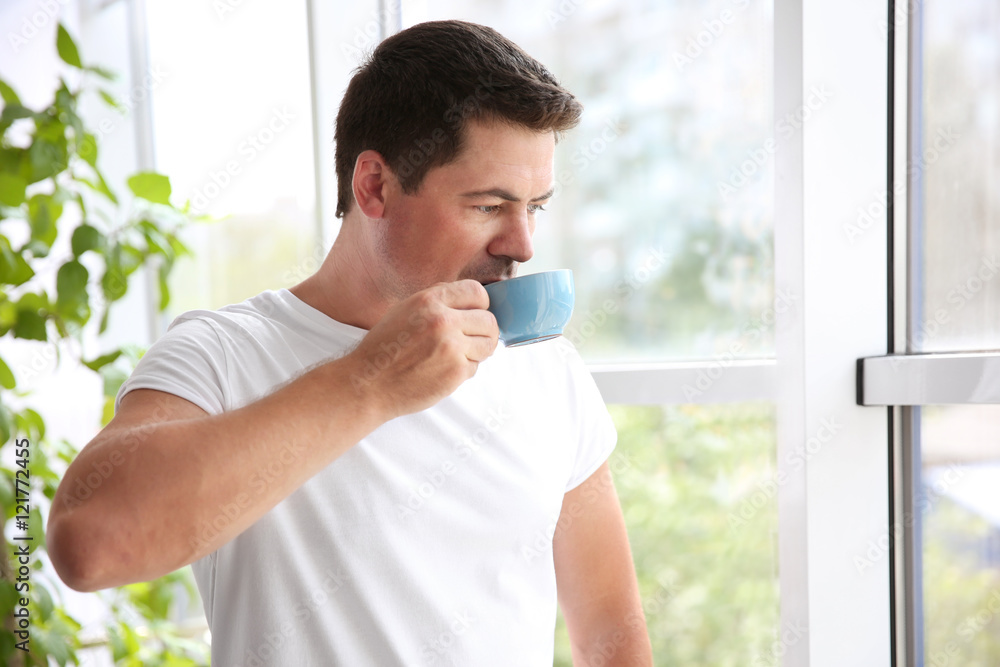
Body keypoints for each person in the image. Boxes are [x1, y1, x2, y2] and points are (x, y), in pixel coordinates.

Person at [48, 19, 652, 666]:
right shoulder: (222, 354)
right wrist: (369, 381)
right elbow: (90, 542)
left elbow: (610, 637)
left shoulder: (548, 371)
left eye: (535, 206)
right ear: (374, 186)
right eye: (487, 206)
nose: (523, 244)